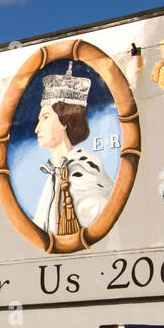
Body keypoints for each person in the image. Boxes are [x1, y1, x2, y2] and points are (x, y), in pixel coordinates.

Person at [31, 63, 113, 235]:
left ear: (64, 121)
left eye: (46, 117)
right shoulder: (53, 175)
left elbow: (99, 209)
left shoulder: (81, 169)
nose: (37, 128)